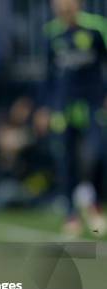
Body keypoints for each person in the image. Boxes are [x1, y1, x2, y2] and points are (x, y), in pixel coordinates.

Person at [36, 0, 106, 236]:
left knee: (97, 155)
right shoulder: (52, 33)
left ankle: (95, 204)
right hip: (62, 108)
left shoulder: (96, 28)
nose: (63, 6)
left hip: (93, 104)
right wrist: (44, 107)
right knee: (66, 160)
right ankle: (71, 214)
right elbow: (48, 74)